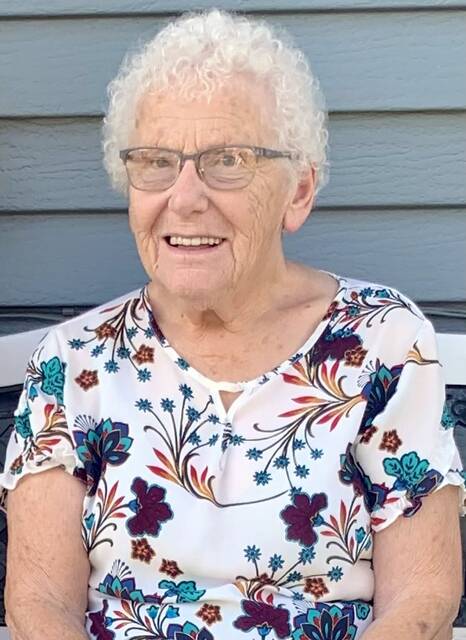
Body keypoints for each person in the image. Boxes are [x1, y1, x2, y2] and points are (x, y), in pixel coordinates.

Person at [1, 9, 464, 640]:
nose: (185, 198)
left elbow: (422, 596)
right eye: (156, 162)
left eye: (228, 160)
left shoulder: (383, 343)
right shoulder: (74, 362)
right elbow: (39, 604)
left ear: (297, 192)